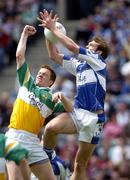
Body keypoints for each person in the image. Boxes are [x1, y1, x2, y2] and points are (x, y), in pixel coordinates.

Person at [38, 9, 110, 180]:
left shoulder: (99, 62)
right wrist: (49, 34)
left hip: (95, 120)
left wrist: (54, 29)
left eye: (91, 45)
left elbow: (71, 47)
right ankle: (47, 157)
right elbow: (53, 55)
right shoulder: (79, 66)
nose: (88, 46)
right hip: (78, 113)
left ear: (98, 51)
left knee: (79, 166)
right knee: (49, 129)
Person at [5, 24, 68, 180]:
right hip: (14, 137)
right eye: (39, 73)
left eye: (44, 75)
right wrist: (24, 34)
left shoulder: (53, 100)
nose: (39, 75)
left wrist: (63, 98)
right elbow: (19, 56)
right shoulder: (27, 82)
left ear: (51, 82)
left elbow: (71, 109)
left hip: (33, 142)